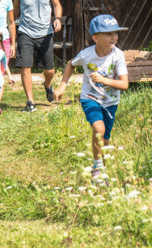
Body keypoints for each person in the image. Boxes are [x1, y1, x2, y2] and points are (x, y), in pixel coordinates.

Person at [54, 14, 129, 181]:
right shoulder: (86, 54)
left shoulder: (118, 55)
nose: (114, 37)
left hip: (110, 102)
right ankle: (97, 166)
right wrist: (61, 87)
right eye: (109, 34)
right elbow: (70, 65)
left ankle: (105, 168)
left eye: (116, 33)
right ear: (96, 37)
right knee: (98, 129)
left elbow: (124, 84)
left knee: (106, 139)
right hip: (90, 98)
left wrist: (104, 80)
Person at [13, 0, 63, 112]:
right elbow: (14, 9)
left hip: (45, 32)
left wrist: (58, 19)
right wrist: (11, 25)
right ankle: (30, 102)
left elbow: (57, 5)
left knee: (49, 70)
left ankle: (47, 84)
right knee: (25, 67)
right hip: (25, 31)